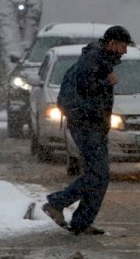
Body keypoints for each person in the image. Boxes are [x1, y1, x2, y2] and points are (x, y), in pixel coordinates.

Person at [41, 25, 133, 235]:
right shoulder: (93, 60)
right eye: (123, 46)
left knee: (99, 175)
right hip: (86, 125)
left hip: (94, 125)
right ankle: (56, 203)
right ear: (112, 44)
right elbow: (87, 88)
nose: (124, 52)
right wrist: (106, 82)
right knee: (97, 175)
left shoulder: (100, 59)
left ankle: (82, 222)